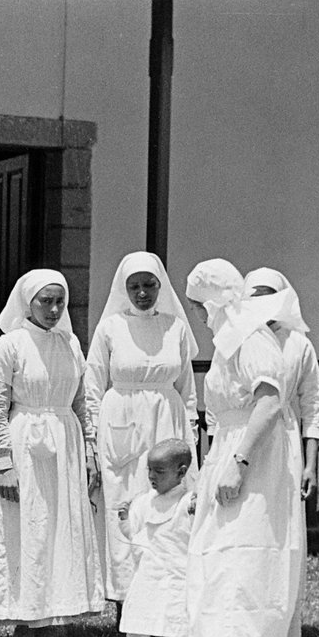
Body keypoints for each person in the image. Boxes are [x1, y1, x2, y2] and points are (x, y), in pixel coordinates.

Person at [184, 258, 307, 637]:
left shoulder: (252, 338)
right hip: (232, 451)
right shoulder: (231, 339)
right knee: (225, 568)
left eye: (199, 305)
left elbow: (270, 402)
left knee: (245, 570)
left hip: (254, 460)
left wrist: (238, 464)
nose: (199, 313)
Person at [0, 268, 104, 637]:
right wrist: (4, 460)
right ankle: (27, 617)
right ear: (27, 302)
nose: (53, 309)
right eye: (46, 301)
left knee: (62, 524)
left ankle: (60, 614)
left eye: (60, 302)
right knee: (28, 525)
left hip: (65, 439)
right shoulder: (10, 344)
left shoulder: (70, 344)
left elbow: (82, 402)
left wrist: (88, 450)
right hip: (24, 441)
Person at [85, 252, 199, 609]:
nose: (142, 293)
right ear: (124, 289)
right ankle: (126, 601)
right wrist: (91, 439)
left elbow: (187, 387)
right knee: (126, 506)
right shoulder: (110, 327)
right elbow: (93, 385)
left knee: (170, 507)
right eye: (134, 286)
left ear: (160, 287)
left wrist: (191, 432)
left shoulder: (175, 327)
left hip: (167, 420)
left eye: (149, 285)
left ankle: (168, 600)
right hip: (121, 428)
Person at [118, 439, 208, 637]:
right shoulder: (144, 502)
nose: (151, 476)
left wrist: (198, 507)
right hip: (147, 577)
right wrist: (125, 521)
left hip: (175, 578)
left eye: (159, 471)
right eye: (149, 470)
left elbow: (201, 529)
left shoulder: (188, 503)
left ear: (181, 472)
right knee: (136, 627)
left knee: (178, 632)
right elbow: (135, 535)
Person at [242, 268, 319, 502]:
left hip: (282, 438)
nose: (263, 304)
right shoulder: (238, 340)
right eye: (254, 297)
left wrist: (311, 466)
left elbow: (312, 404)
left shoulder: (298, 345)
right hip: (244, 438)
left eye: (270, 296)